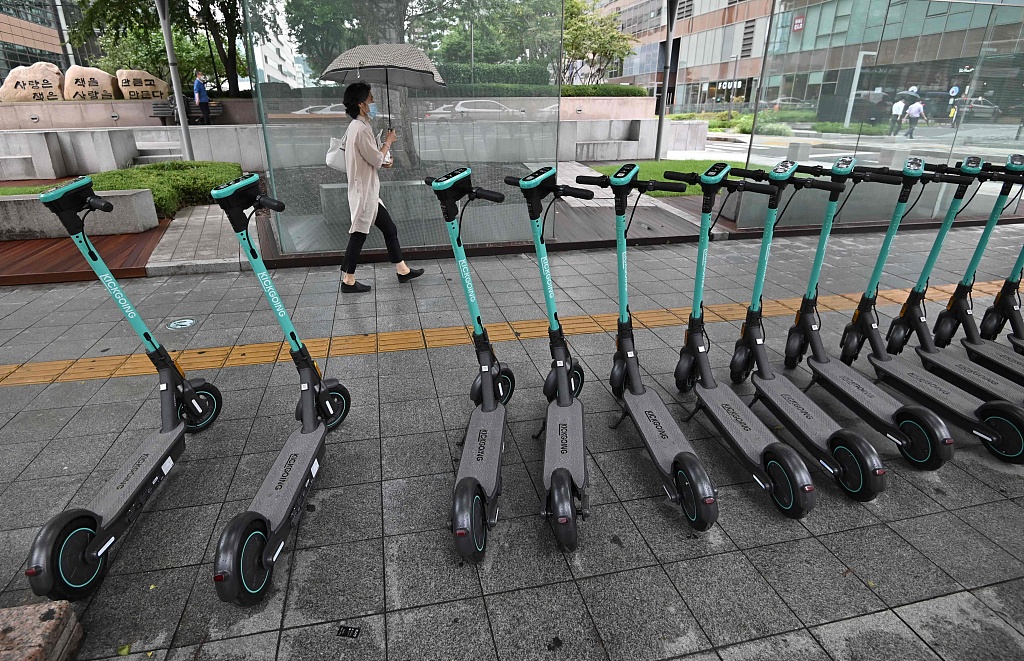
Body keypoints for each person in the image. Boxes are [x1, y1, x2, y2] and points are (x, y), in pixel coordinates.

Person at [340, 82, 422, 294]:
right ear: (360, 104)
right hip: (364, 192)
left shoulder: (360, 127)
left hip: (369, 191)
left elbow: (370, 157)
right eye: (370, 99)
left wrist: (383, 157)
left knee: (389, 229)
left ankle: (402, 270)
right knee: (358, 234)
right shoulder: (359, 129)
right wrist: (389, 142)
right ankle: (348, 280)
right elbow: (375, 159)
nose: (373, 102)